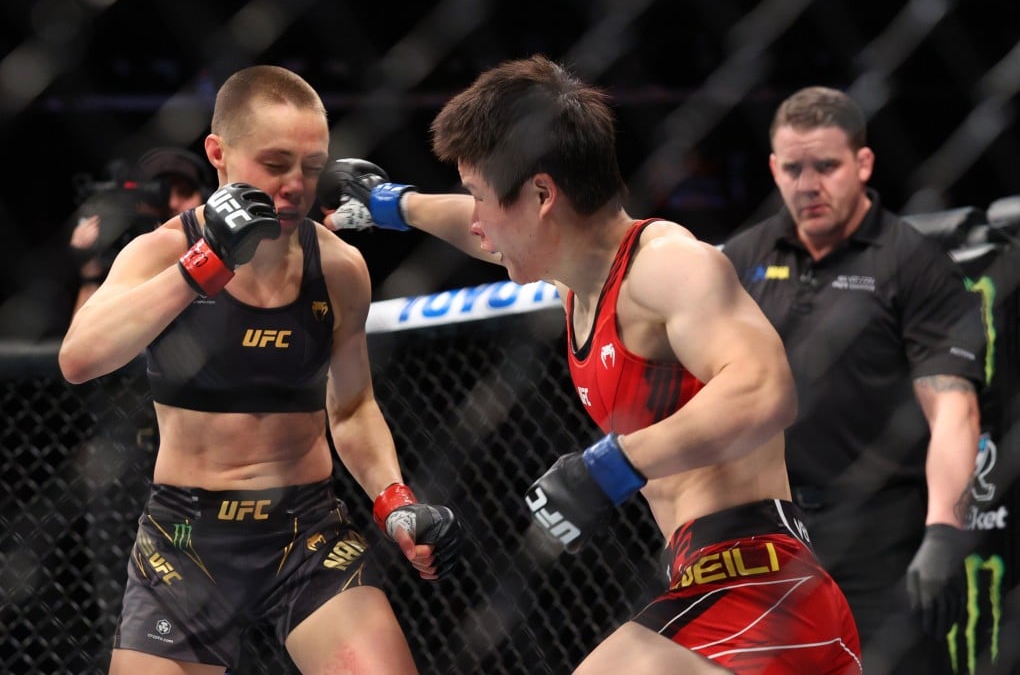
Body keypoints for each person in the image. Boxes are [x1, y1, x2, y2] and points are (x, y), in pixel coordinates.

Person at [319, 54, 862, 674]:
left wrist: (613, 465)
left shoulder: (668, 266)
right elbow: (486, 234)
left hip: (762, 589)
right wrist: (395, 205)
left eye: (478, 196)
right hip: (718, 587)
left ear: (542, 194)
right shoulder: (578, 280)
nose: (475, 220)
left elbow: (765, 390)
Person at [58, 64, 462, 675]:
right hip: (185, 540)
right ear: (218, 153)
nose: (296, 185)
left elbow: (351, 407)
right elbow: (79, 360)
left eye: (311, 165)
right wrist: (202, 266)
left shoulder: (341, 268)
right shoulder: (161, 252)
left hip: (308, 533)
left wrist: (394, 500)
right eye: (275, 165)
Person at [720, 86, 984, 674]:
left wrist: (943, 530)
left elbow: (953, 409)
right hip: (769, 528)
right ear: (773, 169)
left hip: (877, 529)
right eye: (793, 168)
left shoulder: (912, 263)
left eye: (826, 166)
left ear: (862, 164)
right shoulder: (740, 261)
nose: (808, 184)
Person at [69, 147, 213, 315]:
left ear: (204, 197)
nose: (173, 203)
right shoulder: (126, 252)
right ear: (141, 203)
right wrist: (90, 268)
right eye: (160, 196)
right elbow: (87, 338)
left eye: (184, 192)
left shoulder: (224, 252)